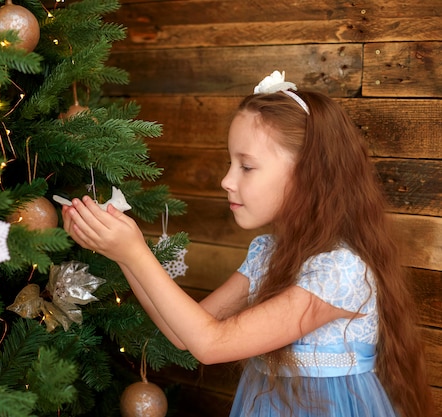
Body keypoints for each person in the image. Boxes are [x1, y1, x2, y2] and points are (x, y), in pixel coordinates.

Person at [60, 71, 434, 416]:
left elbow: (211, 344)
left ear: (307, 175)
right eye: (229, 163)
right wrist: (124, 252)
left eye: (247, 166)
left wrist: (134, 252)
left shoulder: (340, 271)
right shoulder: (267, 252)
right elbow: (183, 335)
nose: (226, 180)